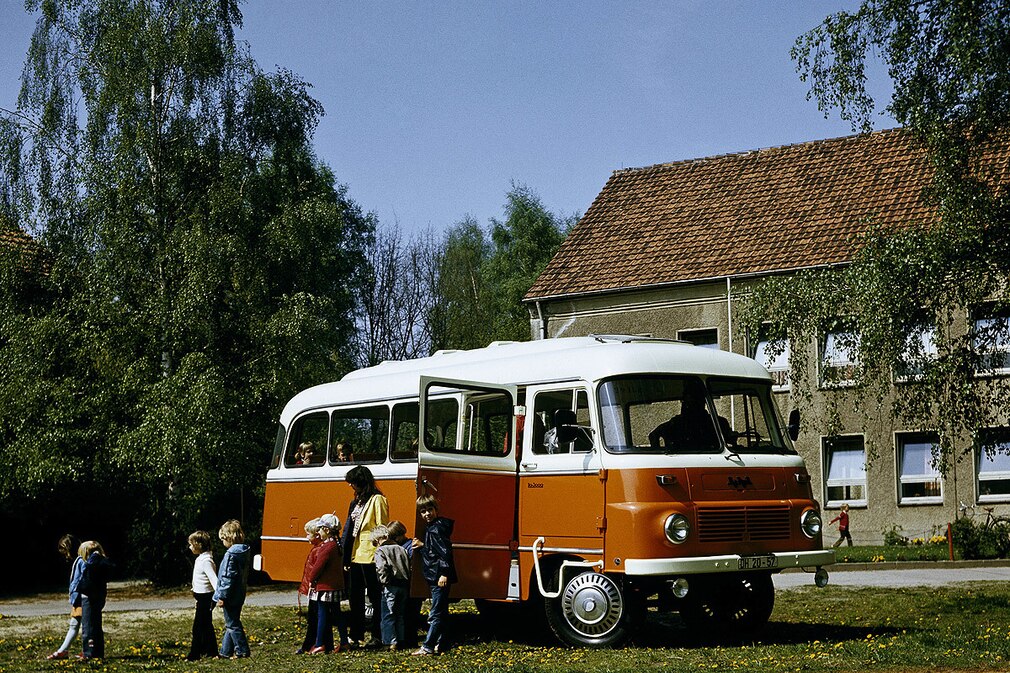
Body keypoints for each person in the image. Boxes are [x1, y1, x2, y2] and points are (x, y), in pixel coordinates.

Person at [341, 465, 389, 647]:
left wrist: (379, 552)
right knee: (355, 597)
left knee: (375, 598)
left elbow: (382, 528)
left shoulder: (378, 499)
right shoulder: (356, 503)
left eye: (353, 482)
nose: (350, 486)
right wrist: (346, 555)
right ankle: (356, 634)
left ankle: (377, 635)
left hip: (371, 554)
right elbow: (349, 530)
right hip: (355, 554)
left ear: (362, 482)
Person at [411, 495, 456, 656]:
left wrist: (444, 573)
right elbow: (434, 551)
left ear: (436, 509)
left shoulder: (435, 529)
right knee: (442, 611)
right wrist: (423, 546)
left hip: (438, 576)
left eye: (430, 510)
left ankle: (428, 646)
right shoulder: (434, 527)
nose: (427, 514)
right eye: (423, 511)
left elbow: (445, 552)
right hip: (436, 575)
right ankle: (443, 643)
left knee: (435, 613)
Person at [306, 513, 348, 653]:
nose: (318, 532)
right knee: (338, 614)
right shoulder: (337, 544)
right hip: (336, 585)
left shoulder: (327, 547)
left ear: (327, 529)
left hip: (325, 586)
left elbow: (318, 567)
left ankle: (319, 643)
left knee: (322, 614)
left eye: (320, 529)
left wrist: (311, 580)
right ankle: (344, 641)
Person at [649, 379, 731, 451]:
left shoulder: (717, 422)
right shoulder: (676, 423)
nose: (687, 405)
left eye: (693, 402)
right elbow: (653, 435)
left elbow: (729, 442)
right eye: (686, 402)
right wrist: (661, 453)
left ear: (702, 402)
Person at [214, 519, 251, 659]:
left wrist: (222, 596)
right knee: (232, 621)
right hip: (239, 593)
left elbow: (227, 577)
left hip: (229, 595)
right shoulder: (244, 552)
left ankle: (242, 650)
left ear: (228, 538)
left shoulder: (230, 555)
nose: (222, 542)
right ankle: (225, 651)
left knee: (232, 624)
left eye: (223, 539)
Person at [371, 524, 410, 650]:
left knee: (388, 615)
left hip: (390, 586)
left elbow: (381, 568)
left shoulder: (381, 551)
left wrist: (383, 582)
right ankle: (401, 639)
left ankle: (389, 642)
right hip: (403, 585)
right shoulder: (401, 549)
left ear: (378, 539)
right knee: (400, 615)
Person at [47, 534, 84, 660]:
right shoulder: (79, 560)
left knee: (83, 625)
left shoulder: (81, 561)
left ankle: (68, 651)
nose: (65, 556)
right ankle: (64, 650)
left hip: (81, 598)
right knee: (76, 624)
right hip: (78, 599)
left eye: (65, 552)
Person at [77, 540, 113, 661]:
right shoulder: (102, 562)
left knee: (88, 626)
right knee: (96, 624)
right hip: (99, 595)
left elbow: (87, 575)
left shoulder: (93, 563)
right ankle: (98, 651)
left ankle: (89, 652)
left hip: (89, 597)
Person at [388, 520, 422, 648]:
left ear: (399, 536)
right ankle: (408, 639)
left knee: (410, 614)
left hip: (410, 586)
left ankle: (410, 640)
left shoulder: (409, 548)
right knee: (407, 614)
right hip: (408, 586)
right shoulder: (407, 545)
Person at [186, 530, 219, 661]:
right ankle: (209, 651)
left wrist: (218, 596)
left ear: (198, 545)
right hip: (201, 597)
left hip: (206, 597)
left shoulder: (206, 561)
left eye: (191, 544)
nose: (190, 547)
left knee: (199, 627)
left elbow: (214, 580)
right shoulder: (200, 559)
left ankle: (195, 654)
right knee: (205, 625)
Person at [296, 518, 322, 654]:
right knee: (314, 617)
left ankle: (310, 644)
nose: (306, 537)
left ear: (316, 535)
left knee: (314, 617)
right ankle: (312, 643)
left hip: (315, 589)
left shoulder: (318, 550)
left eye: (308, 534)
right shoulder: (316, 549)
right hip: (313, 588)